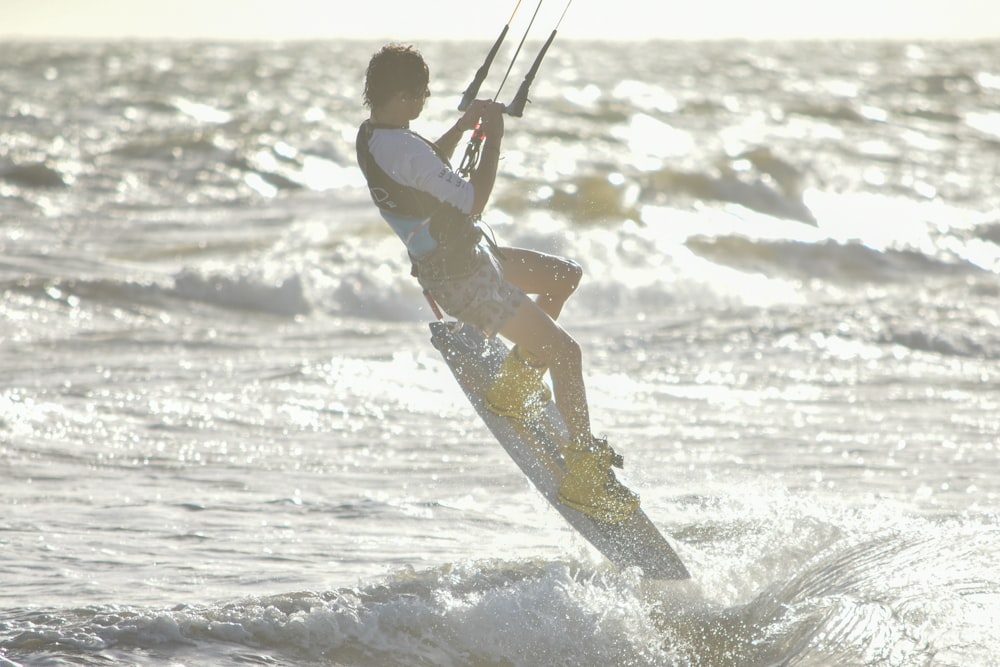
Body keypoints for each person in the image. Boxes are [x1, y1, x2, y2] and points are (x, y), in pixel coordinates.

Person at [355, 43, 638, 524]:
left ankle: (517, 381)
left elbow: (420, 166)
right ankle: (584, 477)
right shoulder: (401, 145)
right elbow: (473, 201)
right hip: (464, 278)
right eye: (422, 93)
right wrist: (495, 139)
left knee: (562, 276)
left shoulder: (378, 137)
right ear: (401, 96)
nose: (426, 99)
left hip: (468, 258)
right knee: (566, 354)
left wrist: (463, 129)